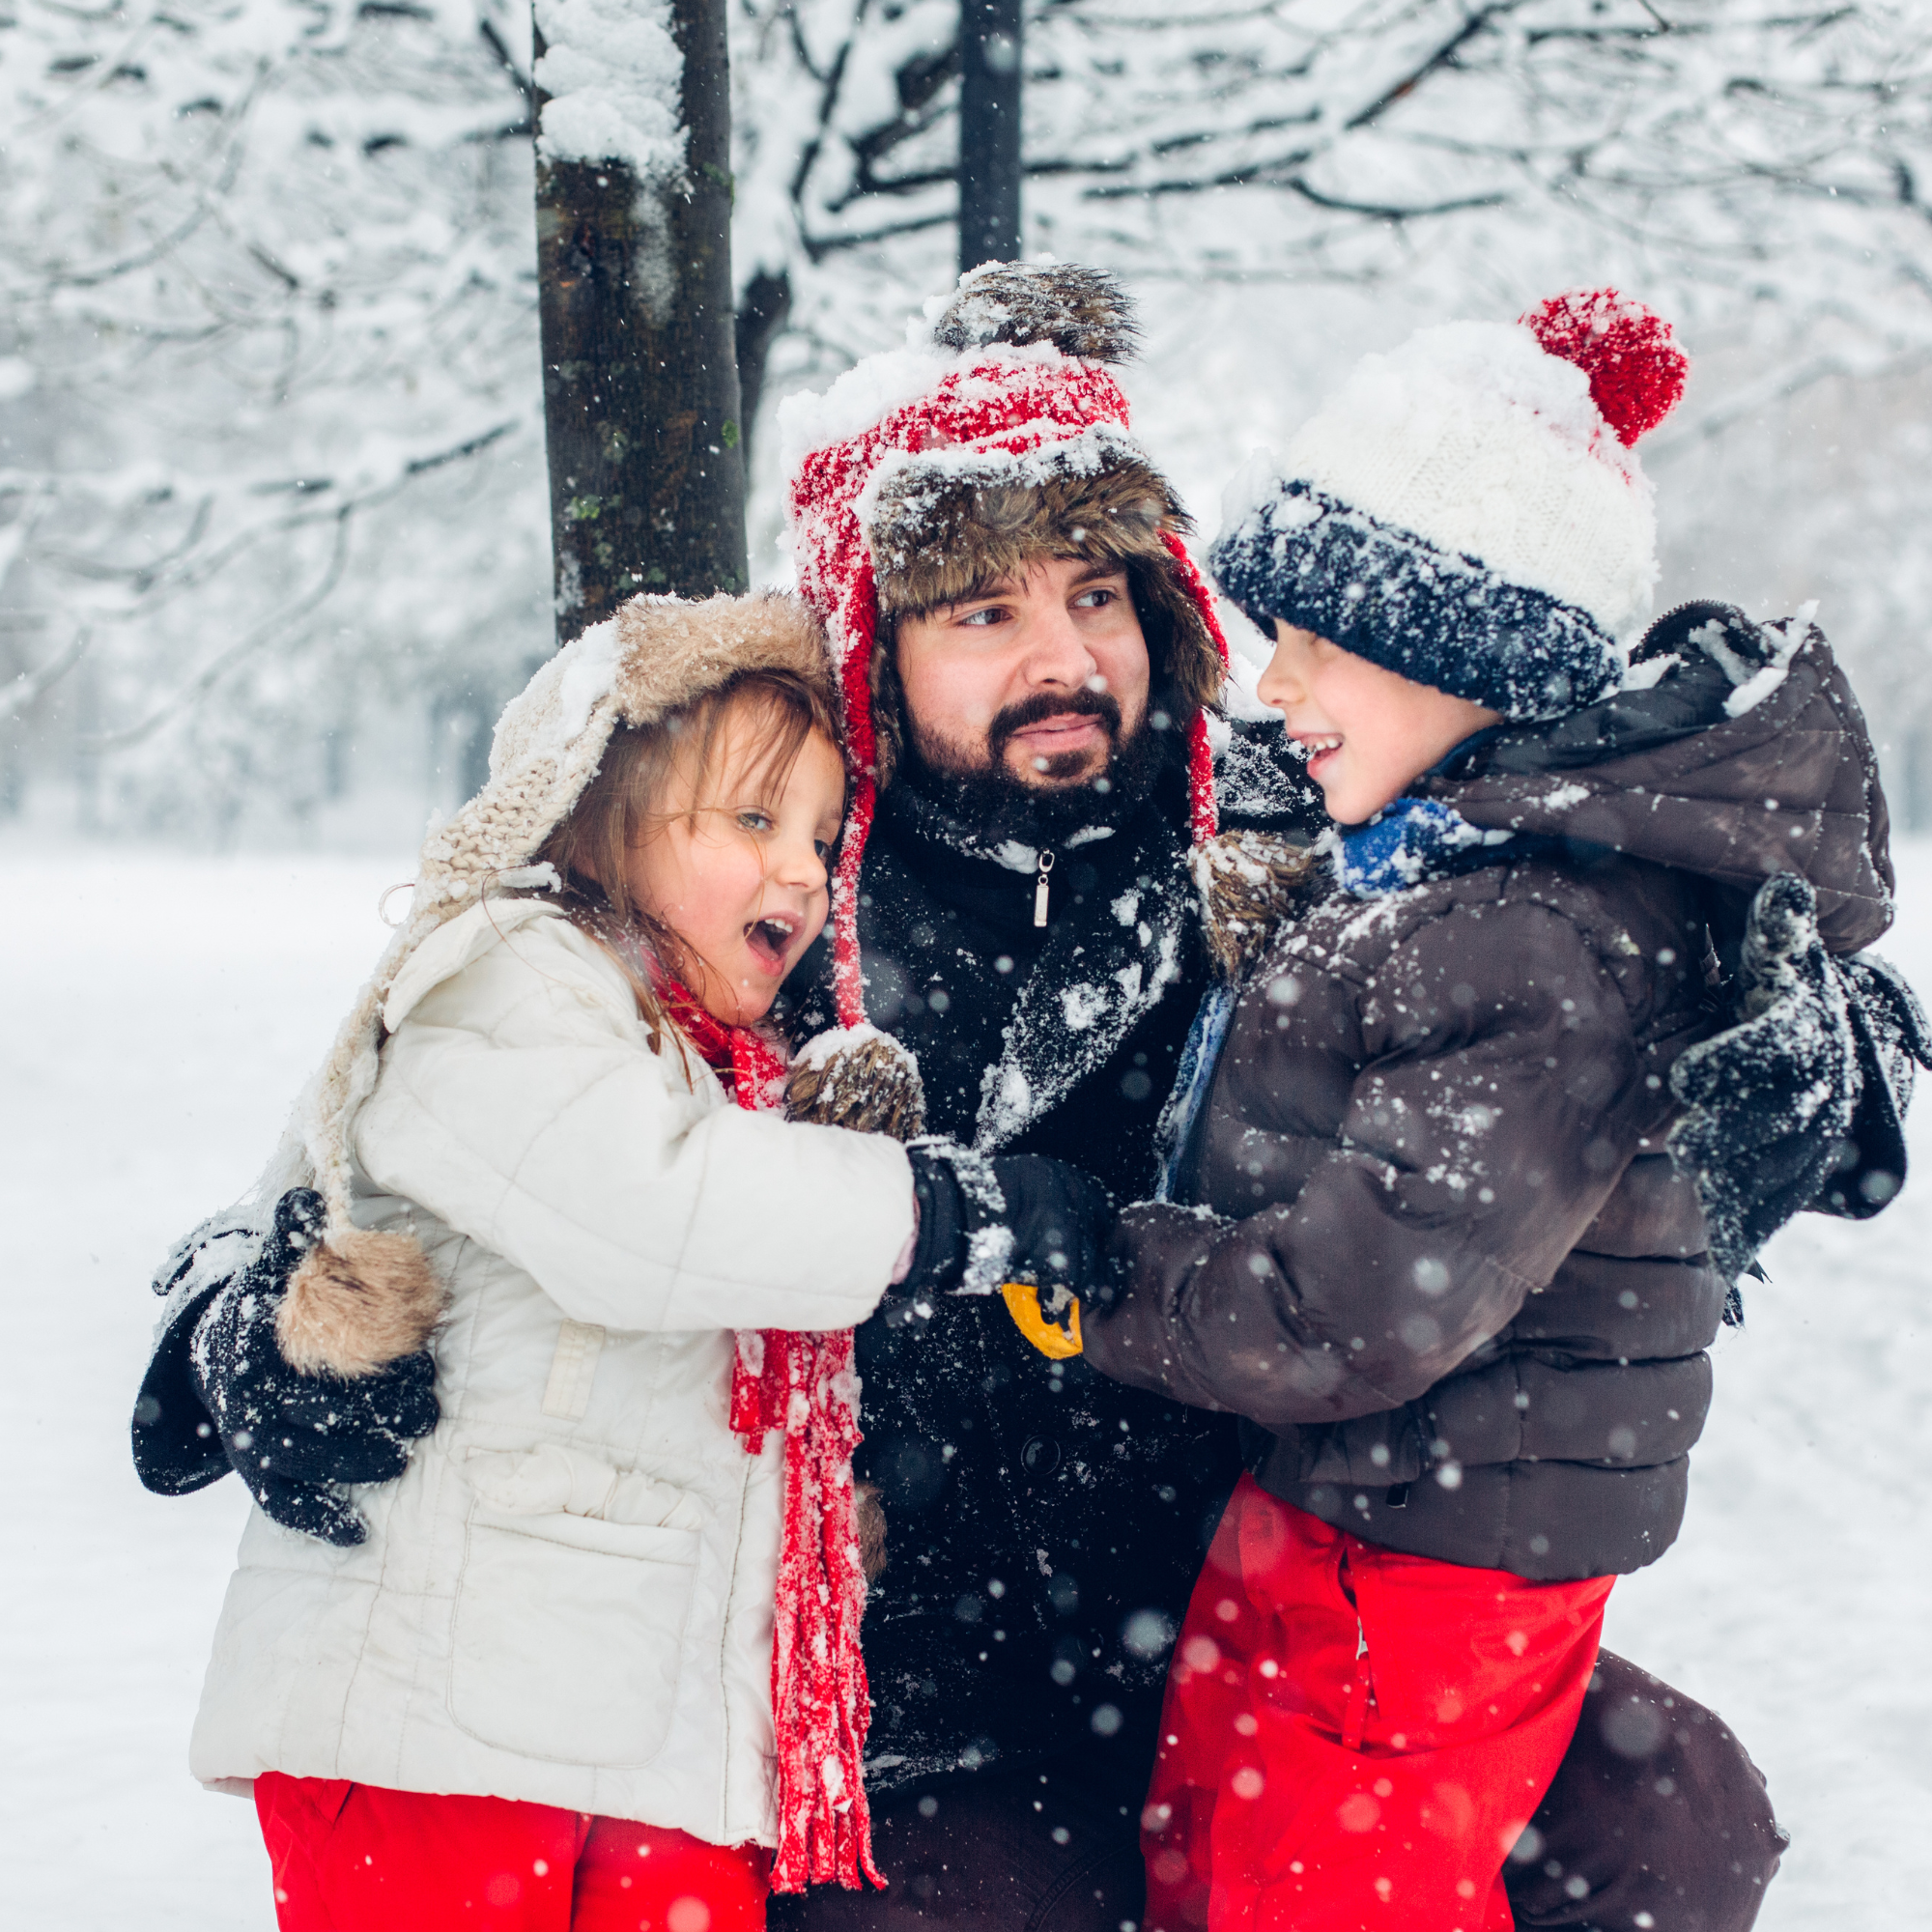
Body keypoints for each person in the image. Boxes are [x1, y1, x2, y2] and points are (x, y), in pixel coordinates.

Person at [136, 267, 1790, 1930]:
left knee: (1669, 1815)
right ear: (875, 638)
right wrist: (244, 1314)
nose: (1062, 658)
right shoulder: (762, 881)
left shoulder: (1292, 841)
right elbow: (410, 1090)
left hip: (1219, 1598)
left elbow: (1590, 828)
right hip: (900, 1676)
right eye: (982, 614)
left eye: (1099, 594)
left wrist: (1787, 992)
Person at [1077, 292, 1898, 1931]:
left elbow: (1353, 1315)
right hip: (1379, 1516)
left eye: (1318, 642)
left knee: (1303, 1887)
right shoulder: (1432, 861)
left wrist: (1079, 1269)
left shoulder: (1533, 937)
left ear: (1465, 658)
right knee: (1237, 1855)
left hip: (1419, 1552)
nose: (1273, 682)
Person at [172, 590, 1100, 1928]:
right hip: (432, 1731)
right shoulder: (508, 980)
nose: (800, 870)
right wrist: (943, 1217)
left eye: (823, 840)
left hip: (647, 1749)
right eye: (753, 821)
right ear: (595, 818)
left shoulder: (727, 1076)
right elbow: (651, 1215)